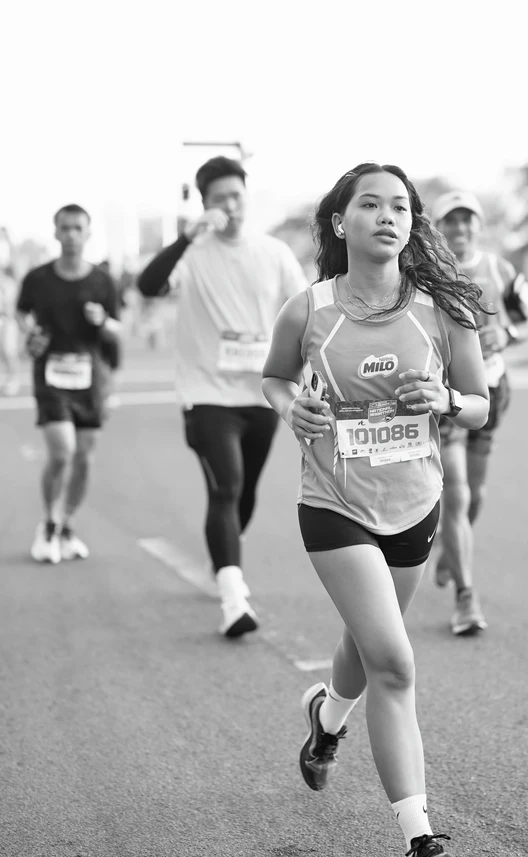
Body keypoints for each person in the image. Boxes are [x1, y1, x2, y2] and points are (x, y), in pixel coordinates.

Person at [262, 162, 490, 857]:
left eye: (400, 206)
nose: (387, 216)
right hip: (334, 502)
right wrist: (290, 406)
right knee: (393, 660)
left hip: (414, 501)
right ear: (340, 222)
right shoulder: (309, 310)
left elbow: (480, 402)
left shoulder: (442, 310)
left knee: (367, 644)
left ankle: (326, 720)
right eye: (370, 205)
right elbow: (273, 378)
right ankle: (422, 843)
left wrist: (449, 399)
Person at [137, 156, 307, 638]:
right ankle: (233, 598)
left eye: (236, 196)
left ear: (246, 197)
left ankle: (225, 550)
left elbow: (305, 313)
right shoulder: (191, 254)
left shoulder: (273, 252)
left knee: (244, 492)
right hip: (205, 394)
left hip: (262, 394)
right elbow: (148, 285)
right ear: (205, 205)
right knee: (226, 486)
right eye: (218, 199)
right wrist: (188, 236)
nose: (229, 206)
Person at [431, 190, 528, 635]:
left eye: (467, 220)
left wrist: (507, 335)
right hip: (448, 397)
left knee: (476, 497)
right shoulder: (427, 273)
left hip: (492, 390)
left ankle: (450, 551)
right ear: (438, 228)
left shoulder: (500, 269)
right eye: (450, 222)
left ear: (478, 224)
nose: (460, 229)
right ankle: (465, 598)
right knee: (455, 495)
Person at [15, 205, 122, 564]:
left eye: (78, 228)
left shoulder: (102, 281)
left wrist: (102, 320)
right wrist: (29, 332)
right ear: (56, 232)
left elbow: (118, 328)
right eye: (65, 228)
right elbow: (21, 312)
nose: (72, 234)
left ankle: (66, 524)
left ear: (88, 233)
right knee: (61, 452)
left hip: (91, 379)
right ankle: (47, 522)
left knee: (84, 459)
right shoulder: (38, 279)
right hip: (51, 377)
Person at [0, 266, 21, 396]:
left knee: (9, 352)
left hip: (6, 321)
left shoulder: (7, 283)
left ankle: (14, 379)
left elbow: (11, 306)